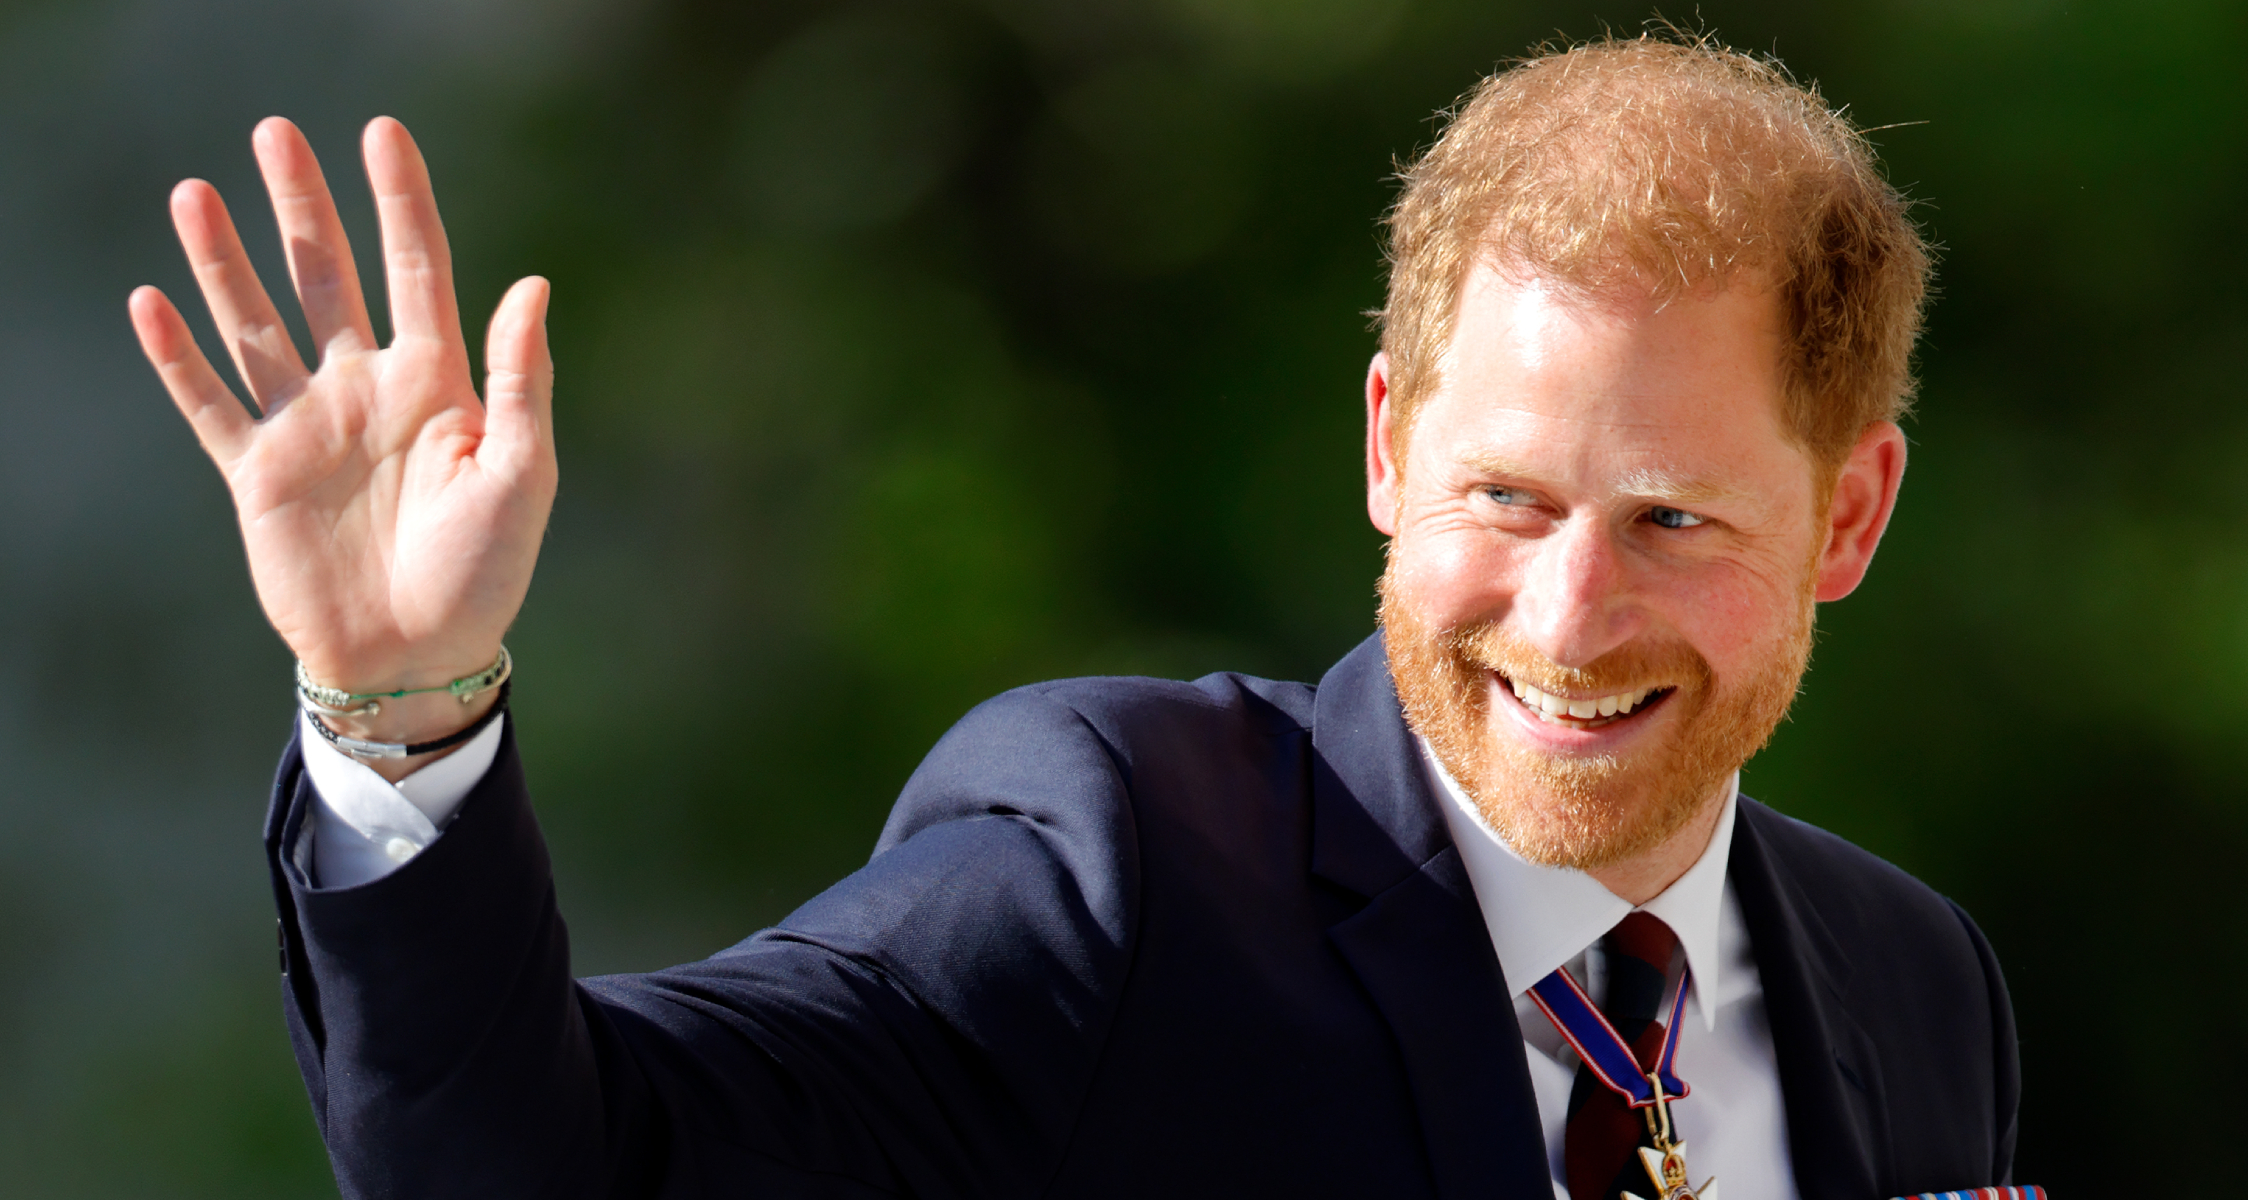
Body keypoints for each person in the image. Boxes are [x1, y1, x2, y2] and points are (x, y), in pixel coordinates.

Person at [129, 34, 2025, 1200]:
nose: (1569, 609)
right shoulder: (1117, 864)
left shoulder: (1912, 978)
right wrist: (405, 711)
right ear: (1384, 442)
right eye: (1504, 497)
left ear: (1850, 511)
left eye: (1671, 516)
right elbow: (550, 1168)